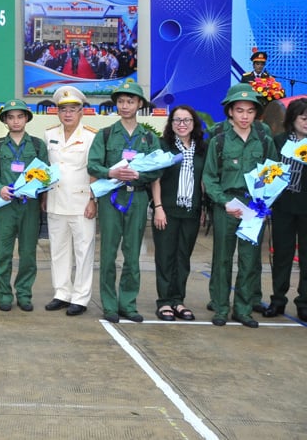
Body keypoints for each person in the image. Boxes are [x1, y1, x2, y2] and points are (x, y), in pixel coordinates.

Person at [203, 83, 279, 328]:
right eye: (239, 110)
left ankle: (243, 309)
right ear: (230, 112)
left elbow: (272, 174)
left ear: (256, 113)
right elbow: (209, 177)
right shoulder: (220, 141)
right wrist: (224, 202)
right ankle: (221, 307)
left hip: (253, 206)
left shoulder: (264, 141)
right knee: (222, 258)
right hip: (227, 204)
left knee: (249, 259)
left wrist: (263, 201)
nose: (244, 116)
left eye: (249, 111)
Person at [87, 82, 161, 323]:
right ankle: (109, 304)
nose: (125, 106)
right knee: (108, 252)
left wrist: (140, 175)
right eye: (121, 101)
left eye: (130, 101)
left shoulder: (149, 137)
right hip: (111, 198)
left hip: (137, 198)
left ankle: (128, 303)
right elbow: (93, 165)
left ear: (140, 104)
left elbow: (157, 169)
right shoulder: (106, 134)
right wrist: (112, 173)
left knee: (132, 253)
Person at [0, 99, 47, 312]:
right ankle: (4, 294)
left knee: (28, 252)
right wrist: (0, 187)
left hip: (29, 206)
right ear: (5, 121)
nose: (16, 121)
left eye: (20, 116)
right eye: (11, 117)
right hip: (5, 206)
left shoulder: (38, 145)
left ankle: (24, 293)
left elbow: (46, 175)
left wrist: (38, 187)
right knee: (4, 252)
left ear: (26, 118)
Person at [43, 86, 98, 317]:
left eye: (73, 109)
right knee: (58, 250)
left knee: (83, 251)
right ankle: (62, 293)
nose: (68, 114)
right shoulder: (50, 134)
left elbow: (94, 170)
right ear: (57, 112)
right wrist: (44, 196)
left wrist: (93, 200)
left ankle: (80, 297)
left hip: (81, 202)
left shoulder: (91, 136)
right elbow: (47, 170)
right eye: (63, 109)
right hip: (56, 200)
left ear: (81, 111)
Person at [150, 105, 206, 321]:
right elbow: (155, 177)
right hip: (167, 210)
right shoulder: (163, 146)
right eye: (177, 120)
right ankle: (164, 302)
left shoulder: (202, 149)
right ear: (171, 124)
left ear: (194, 123)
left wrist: (202, 208)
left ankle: (178, 300)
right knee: (165, 256)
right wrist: (158, 207)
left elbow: (203, 180)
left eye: (187, 120)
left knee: (183, 258)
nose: (182, 124)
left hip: (191, 211)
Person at [264, 97, 307, 320]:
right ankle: (278, 300)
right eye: (304, 118)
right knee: (282, 254)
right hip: (283, 206)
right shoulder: (279, 141)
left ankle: (304, 302)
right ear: (293, 119)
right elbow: (269, 172)